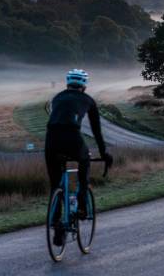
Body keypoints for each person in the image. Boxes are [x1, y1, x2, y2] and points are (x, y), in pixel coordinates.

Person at [45, 69, 113, 245]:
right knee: (85, 160)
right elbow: (96, 130)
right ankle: (82, 204)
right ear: (84, 85)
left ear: (68, 83)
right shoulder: (88, 100)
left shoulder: (57, 97)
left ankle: (56, 222)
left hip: (51, 139)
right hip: (72, 137)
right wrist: (104, 153)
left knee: (55, 184)